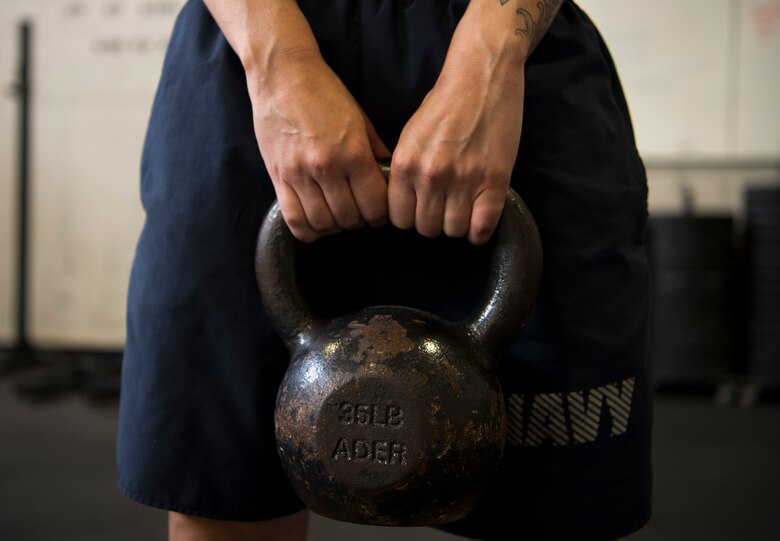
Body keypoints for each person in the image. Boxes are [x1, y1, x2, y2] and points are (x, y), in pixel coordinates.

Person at [117, 1, 653, 540]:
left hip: (512, 66)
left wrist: (489, 61)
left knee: (552, 510)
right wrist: (279, 64)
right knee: (225, 503)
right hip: (251, 56)